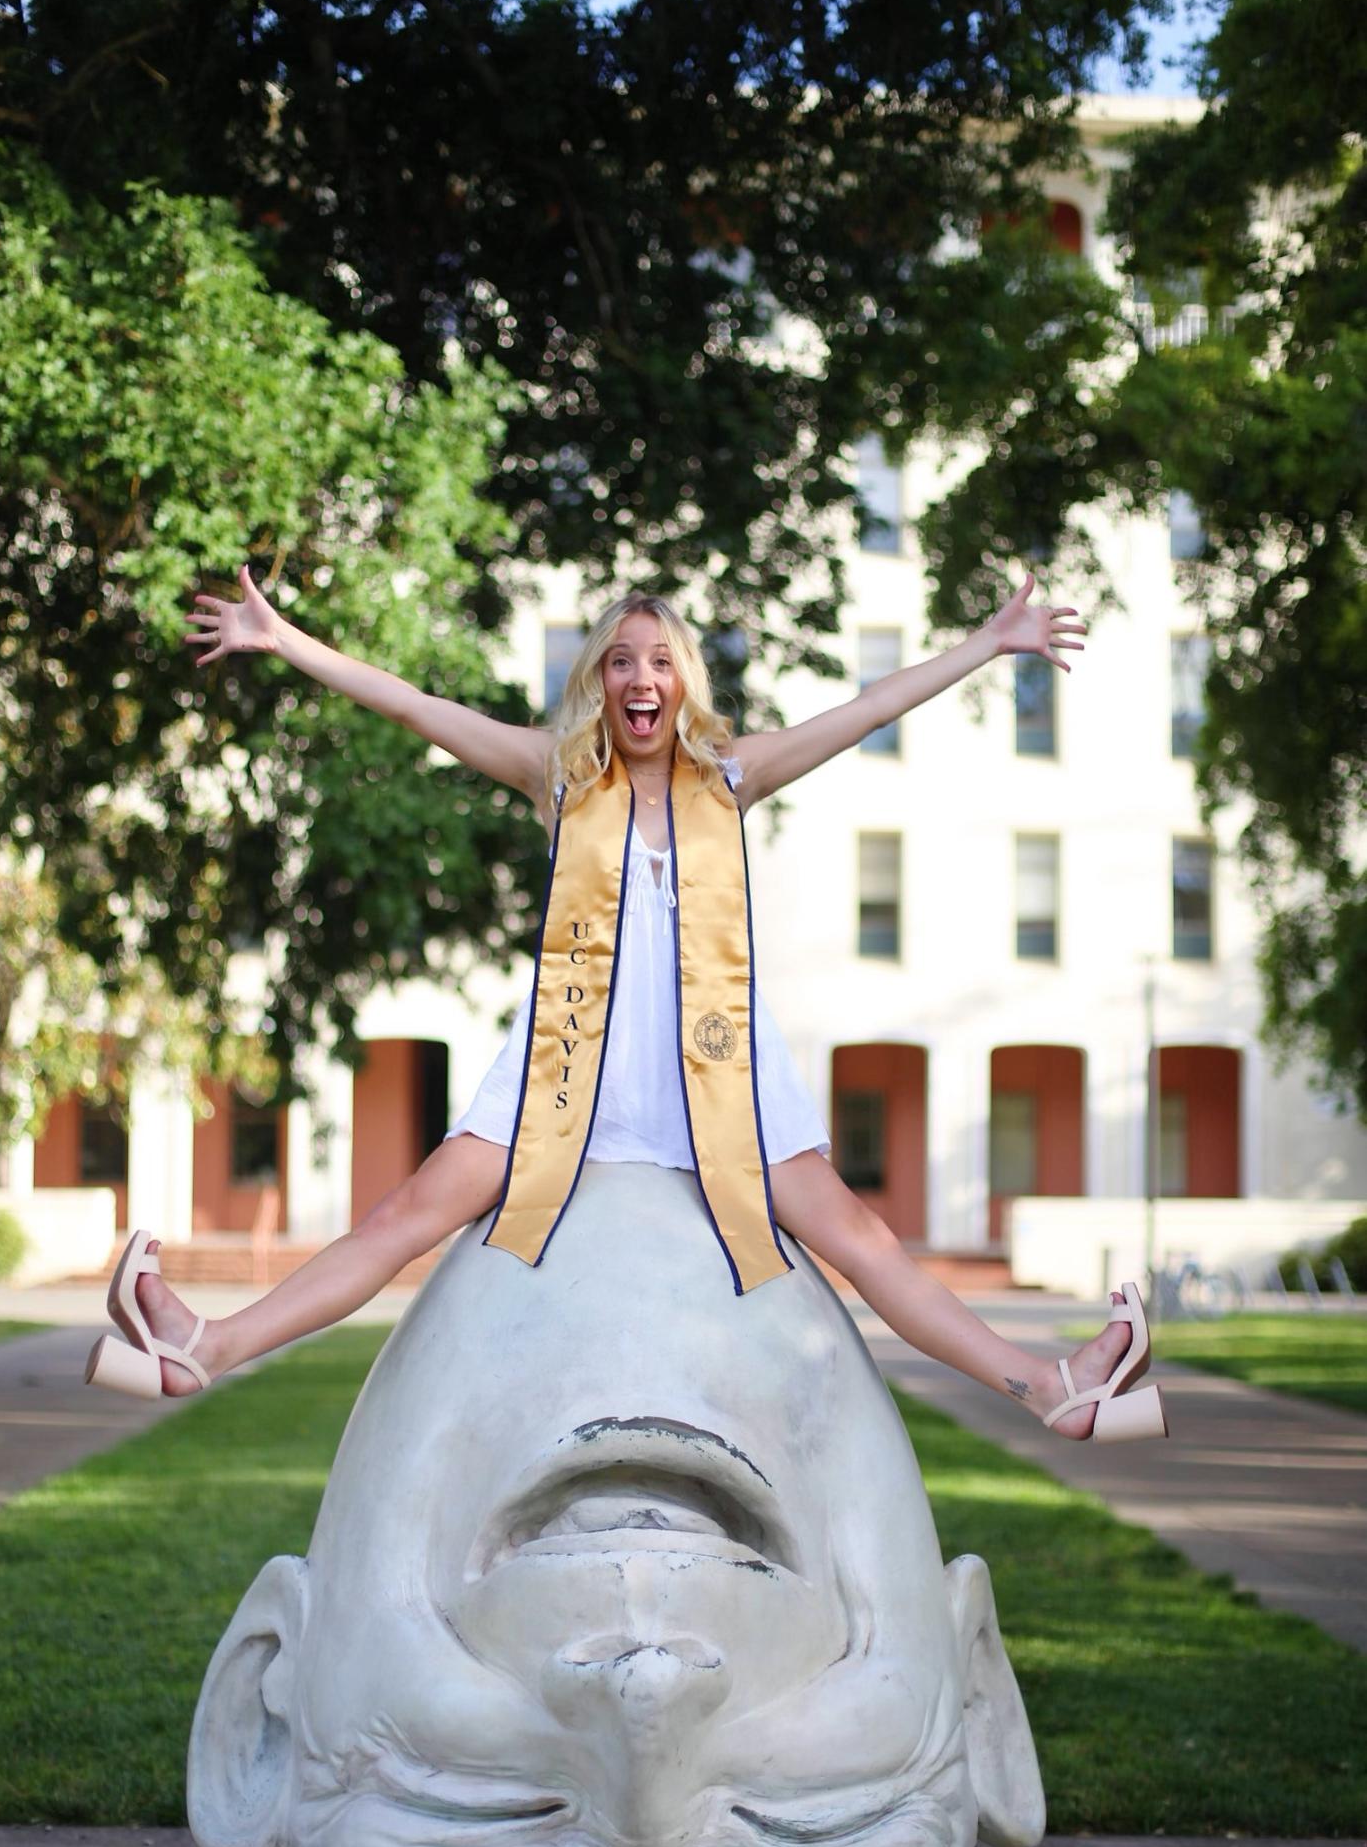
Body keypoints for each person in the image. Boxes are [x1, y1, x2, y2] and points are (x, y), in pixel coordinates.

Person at [83, 570, 1165, 1444]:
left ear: (682, 682)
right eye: (617, 659)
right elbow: (416, 703)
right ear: (597, 683)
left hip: (714, 1068)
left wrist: (988, 643)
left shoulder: (730, 778)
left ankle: (1052, 1386)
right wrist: (287, 640)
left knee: (865, 1240)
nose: (638, 676)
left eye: (658, 659)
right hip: (567, 1066)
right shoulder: (555, 777)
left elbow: (866, 708)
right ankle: (200, 1347)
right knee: (403, 1215)